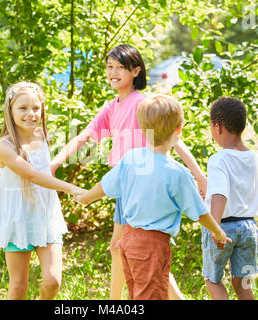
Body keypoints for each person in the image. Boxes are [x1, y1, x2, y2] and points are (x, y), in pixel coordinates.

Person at [51, 44, 206, 300]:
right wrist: (55, 163)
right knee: (122, 248)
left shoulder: (143, 104)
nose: (113, 72)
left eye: (119, 68)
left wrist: (200, 176)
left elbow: (175, 141)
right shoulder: (112, 106)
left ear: (136, 71)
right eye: (109, 67)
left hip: (143, 187)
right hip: (127, 187)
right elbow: (84, 137)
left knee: (130, 249)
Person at [74, 94, 231, 300]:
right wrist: (218, 232)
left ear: (141, 128)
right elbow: (199, 212)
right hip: (152, 245)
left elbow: (105, 185)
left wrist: (85, 198)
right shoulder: (177, 173)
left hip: (128, 239)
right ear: (178, 130)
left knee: (138, 294)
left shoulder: (131, 159)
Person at [0, 81, 86, 300]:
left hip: (45, 216)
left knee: (53, 281)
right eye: (23, 108)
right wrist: (73, 189)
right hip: (17, 217)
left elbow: (45, 169)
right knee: (19, 286)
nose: (31, 113)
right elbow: (33, 175)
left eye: (36, 108)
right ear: (10, 111)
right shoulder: (4, 146)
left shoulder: (41, 135)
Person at [202, 97, 258, 300]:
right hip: (249, 228)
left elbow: (220, 193)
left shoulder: (219, 159)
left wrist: (215, 228)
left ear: (217, 127)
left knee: (213, 280)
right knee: (242, 282)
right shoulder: (254, 158)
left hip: (223, 228)